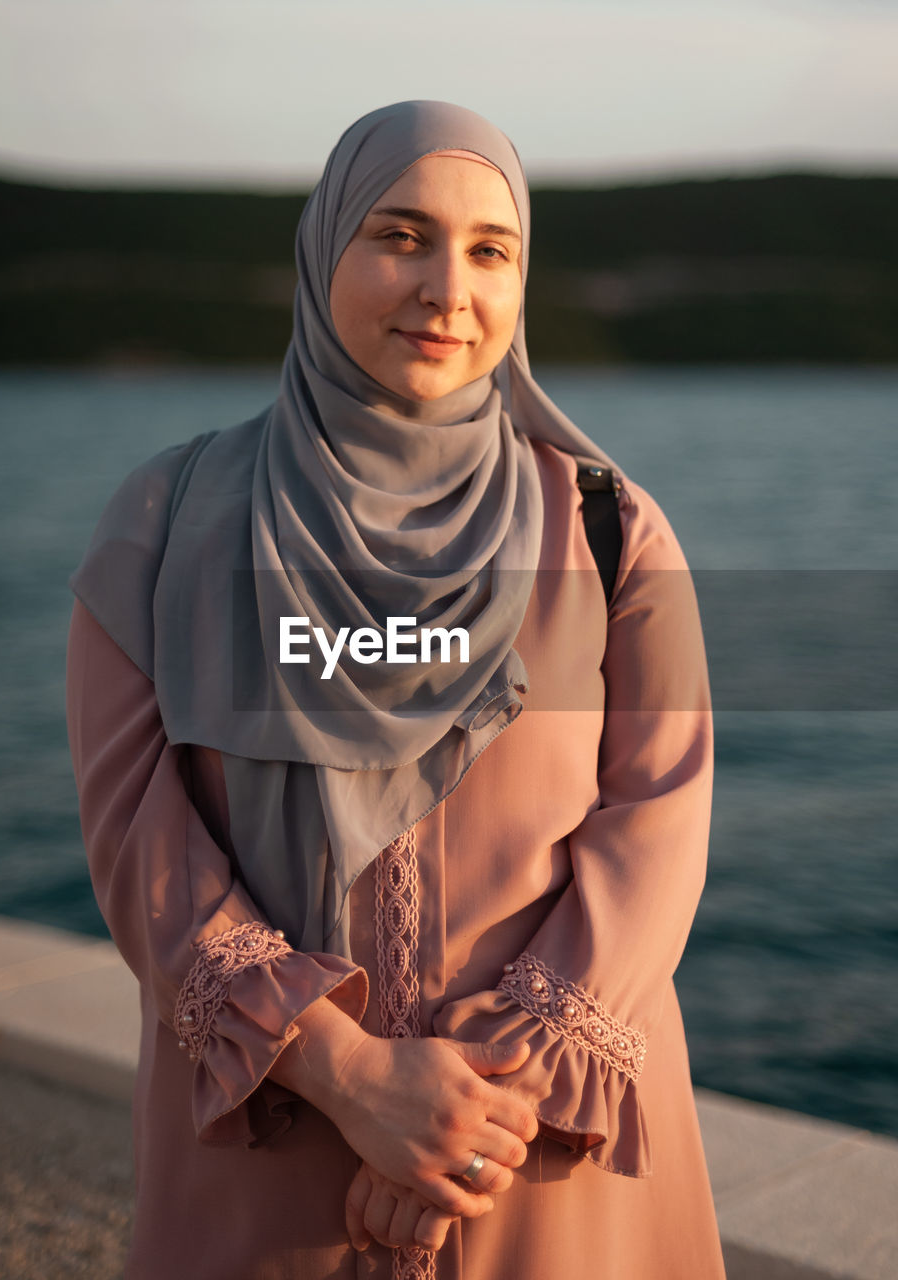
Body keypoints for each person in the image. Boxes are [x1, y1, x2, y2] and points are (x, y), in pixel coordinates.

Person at [67, 100, 725, 1280]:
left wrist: (474, 1113)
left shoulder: (606, 525)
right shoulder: (168, 525)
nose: (446, 288)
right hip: (272, 1144)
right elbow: (137, 840)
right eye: (400, 234)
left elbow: (660, 823)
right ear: (323, 250)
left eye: (491, 251)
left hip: (540, 1159)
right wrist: (348, 1073)